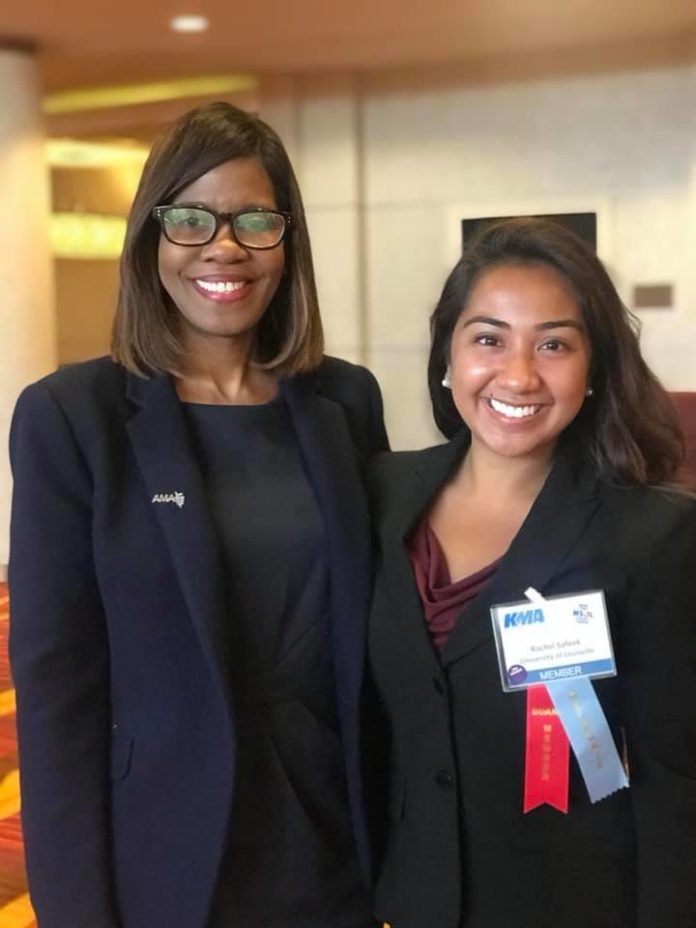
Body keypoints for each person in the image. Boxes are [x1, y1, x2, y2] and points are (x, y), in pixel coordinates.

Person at [9, 101, 388, 928]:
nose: (226, 246)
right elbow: (56, 695)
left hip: (334, 841)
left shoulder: (344, 402)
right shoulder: (74, 418)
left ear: (287, 243)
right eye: (192, 219)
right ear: (151, 237)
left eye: (255, 219)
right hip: (166, 858)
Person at [366, 217, 696, 928]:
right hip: (409, 902)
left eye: (554, 344)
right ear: (448, 356)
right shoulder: (379, 497)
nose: (518, 375)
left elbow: (677, 784)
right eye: (488, 338)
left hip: (576, 903)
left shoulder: (653, 537)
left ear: (595, 370)